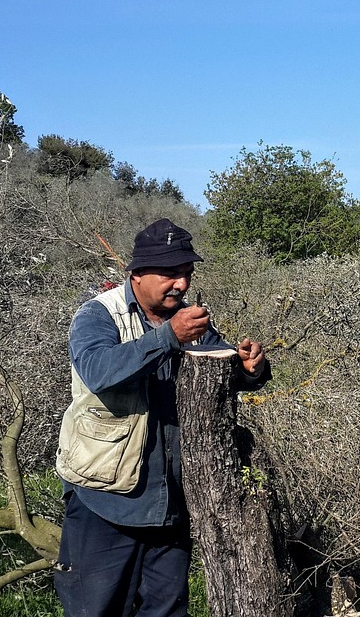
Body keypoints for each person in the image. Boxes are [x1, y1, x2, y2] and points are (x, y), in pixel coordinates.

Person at [53, 218, 271, 617]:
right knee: (94, 610)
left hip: (172, 501)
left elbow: (217, 370)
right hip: (106, 498)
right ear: (136, 274)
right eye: (170, 273)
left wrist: (249, 368)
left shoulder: (190, 322)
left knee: (167, 610)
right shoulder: (98, 315)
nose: (181, 284)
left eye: (185, 274)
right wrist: (168, 337)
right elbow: (99, 370)